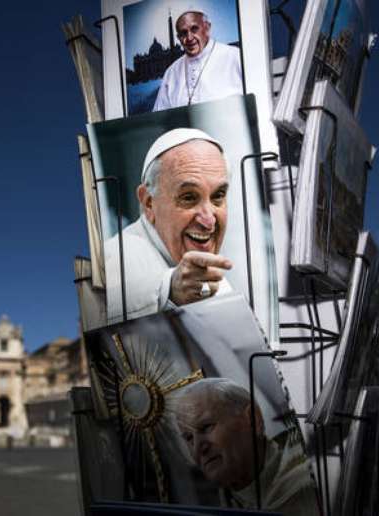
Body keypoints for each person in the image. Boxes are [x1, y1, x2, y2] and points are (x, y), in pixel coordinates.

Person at [104, 128, 233, 324]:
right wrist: (170, 290)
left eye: (218, 196)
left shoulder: (213, 276)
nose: (209, 221)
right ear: (149, 202)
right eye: (188, 197)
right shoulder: (115, 256)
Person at [173, 378, 319, 515]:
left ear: (253, 419)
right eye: (189, 438)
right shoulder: (205, 507)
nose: (198, 448)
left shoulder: (318, 484)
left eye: (206, 427)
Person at [153, 10, 243, 112]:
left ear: (207, 27)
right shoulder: (171, 72)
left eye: (194, 29)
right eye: (183, 33)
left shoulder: (236, 57)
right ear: (178, 38)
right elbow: (160, 116)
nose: (189, 38)